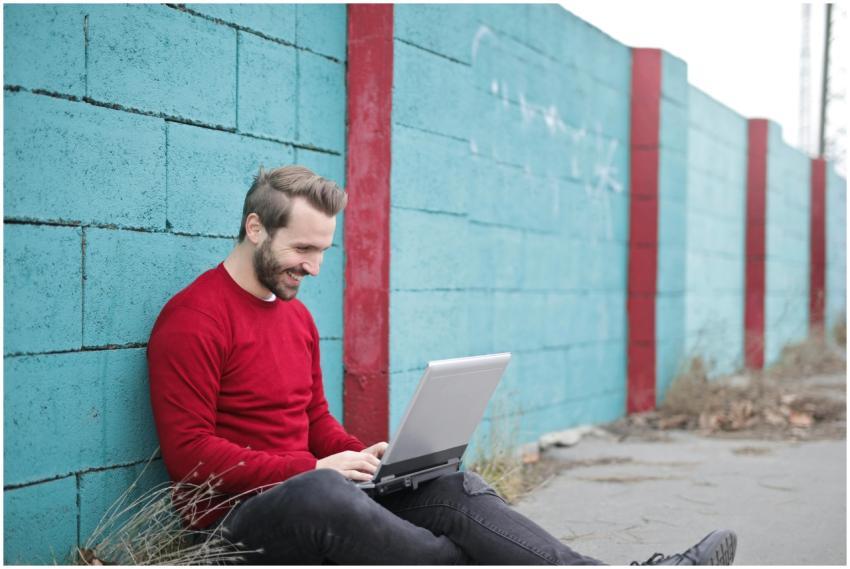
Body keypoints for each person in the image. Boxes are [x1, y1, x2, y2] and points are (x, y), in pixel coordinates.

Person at [147, 165, 738, 565]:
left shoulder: (295, 318)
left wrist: (371, 456)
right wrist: (316, 467)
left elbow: (316, 421)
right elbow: (190, 455)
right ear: (255, 228)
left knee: (451, 485)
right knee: (324, 495)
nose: (315, 268)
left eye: (323, 251)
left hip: (316, 483)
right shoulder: (195, 317)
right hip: (238, 527)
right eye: (302, 249)